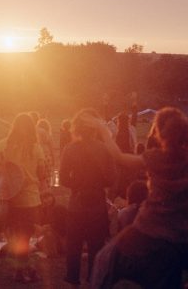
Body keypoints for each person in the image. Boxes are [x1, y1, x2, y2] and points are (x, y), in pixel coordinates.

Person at [90, 107, 188, 289]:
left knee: (104, 260)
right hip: (180, 235)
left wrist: (103, 129)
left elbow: (119, 157)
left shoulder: (156, 158)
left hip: (147, 229)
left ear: (160, 132)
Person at [0, 113, 46, 283]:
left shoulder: (5, 144)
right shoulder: (36, 148)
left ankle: (22, 268)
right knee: (25, 237)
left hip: (11, 198)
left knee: (16, 236)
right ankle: (21, 270)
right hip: (31, 199)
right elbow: (42, 173)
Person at [60, 108, 116, 285]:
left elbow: (62, 179)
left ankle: (72, 281)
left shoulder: (70, 149)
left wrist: (78, 185)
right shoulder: (104, 149)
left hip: (76, 202)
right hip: (97, 203)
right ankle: (93, 281)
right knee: (96, 247)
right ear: (95, 127)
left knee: (73, 247)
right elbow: (111, 179)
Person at [37, 118, 55, 189]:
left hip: (39, 156)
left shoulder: (36, 135)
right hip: (47, 157)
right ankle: (47, 189)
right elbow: (52, 149)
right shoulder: (49, 136)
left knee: (39, 174)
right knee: (47, 175)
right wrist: (54, 160)